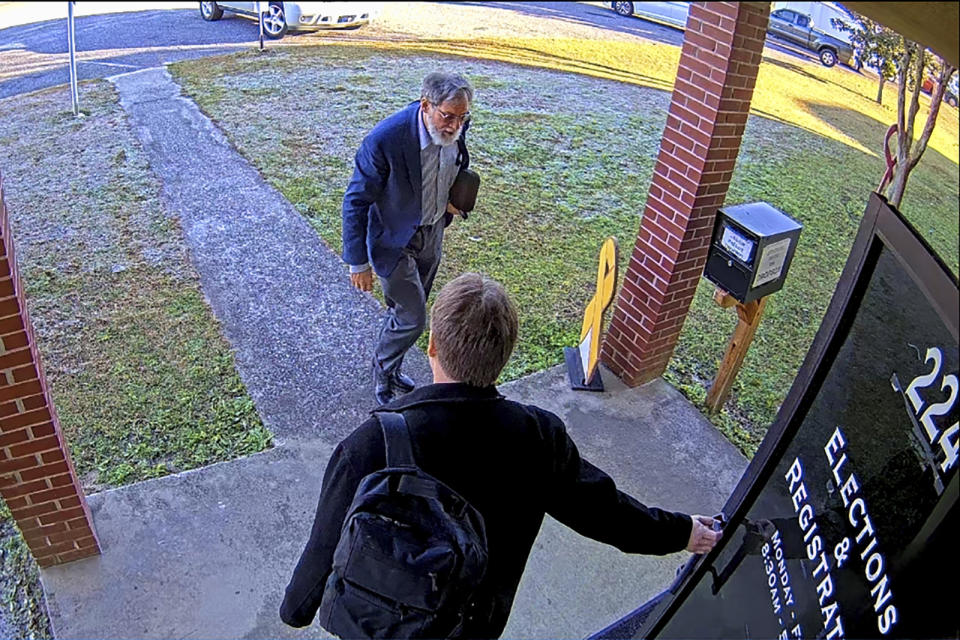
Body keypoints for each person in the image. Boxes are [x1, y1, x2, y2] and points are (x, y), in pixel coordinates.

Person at [280, 273, 722, 638]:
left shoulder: (370, 443)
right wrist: (682, 532)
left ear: (432, 345)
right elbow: (605, 513)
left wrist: (295, 610)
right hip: (472, 627)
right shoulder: (537, 437)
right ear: (504, 357)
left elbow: (322, 550)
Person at [342, 71, 474, 406]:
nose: (455, 126)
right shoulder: (386, 140)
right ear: (426, 105)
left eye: (462, 117)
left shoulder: (454, 127)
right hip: (393, 242)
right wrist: (358, 262)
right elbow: (356, 200)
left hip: (432, 234)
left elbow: (453, 163)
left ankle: (394, 364)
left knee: (404, 310)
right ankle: (382, 370)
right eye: (448, 116)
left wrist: (450, 200)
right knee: (414, 318)